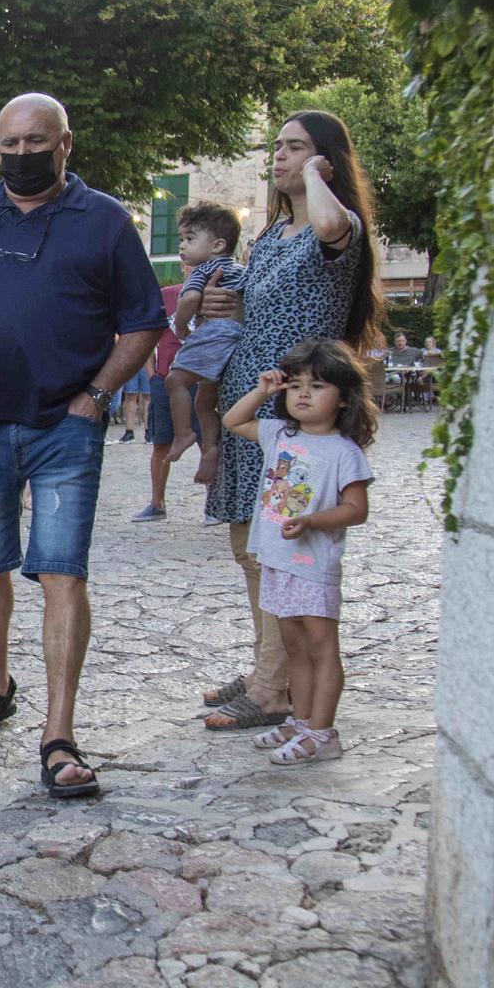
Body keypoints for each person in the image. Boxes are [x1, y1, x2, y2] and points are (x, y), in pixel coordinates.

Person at [0, 93, 165, 798]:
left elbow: (146, 320)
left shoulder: (105, 221)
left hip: (63, 430)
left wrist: (96, 398)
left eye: (36, 142)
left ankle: (59, 732)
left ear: (65, 144)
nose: (21, 154)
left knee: (62, 573)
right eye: (9, 143)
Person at [198, 109, 382, 731]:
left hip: (296, 410)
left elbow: (330, 221)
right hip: (255, 401)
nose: (279, 157)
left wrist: (318, 179)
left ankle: (273, 686)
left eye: (295, 148)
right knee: (249, 544)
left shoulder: (336, 226)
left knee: (276, 548)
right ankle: (265, 668)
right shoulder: (272, 235)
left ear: (324, 158)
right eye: (277, 147)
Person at [221, 340, 376, 766]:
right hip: (277, 561)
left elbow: (356, 510)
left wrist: (311, 522)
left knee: (321, 647)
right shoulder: (280, 434)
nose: (304, 393)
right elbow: (234, 420)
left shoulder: (344, 451)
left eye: (318, 386)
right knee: (294, 647)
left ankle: (323, 732)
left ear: (343, 397)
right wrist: (264, 390)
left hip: (312, 565)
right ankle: (302, 720)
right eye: (297, 385)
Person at [164, 201, 247, 485]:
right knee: (205, 401)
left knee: (175, 381)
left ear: (217, 245)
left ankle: (184, 432)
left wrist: (181, 326)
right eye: (181, 240)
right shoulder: (239, 270)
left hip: (213, 334)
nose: (182, 247)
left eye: (189, 239)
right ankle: (211, 449)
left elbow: (188, 300)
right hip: (237, 336)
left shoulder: (204, 270)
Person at [134, 272, 190, 523]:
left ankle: (214, 502)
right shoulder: (166, 296)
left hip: (201, 377)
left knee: (210, 440)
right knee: (161, 441)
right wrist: (152, 375)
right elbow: (149, 335)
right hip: (164, 377)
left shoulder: (218, 294)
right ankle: (157, 502)